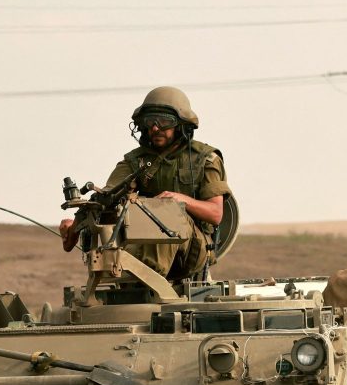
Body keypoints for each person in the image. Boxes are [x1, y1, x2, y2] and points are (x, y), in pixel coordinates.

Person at [60, 86, 231, 279]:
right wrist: (73, 228)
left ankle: (145, 278)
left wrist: (179, 200)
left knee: (167, 210)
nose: (155, 128)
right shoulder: (136, 161)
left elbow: (216, 214)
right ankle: (122, 274)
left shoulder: (206, 159)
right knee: (111, 210)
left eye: (165, 121)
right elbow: (104, 198)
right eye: (150, 121)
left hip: (192, 252)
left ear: (181, 125)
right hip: (141, 245)